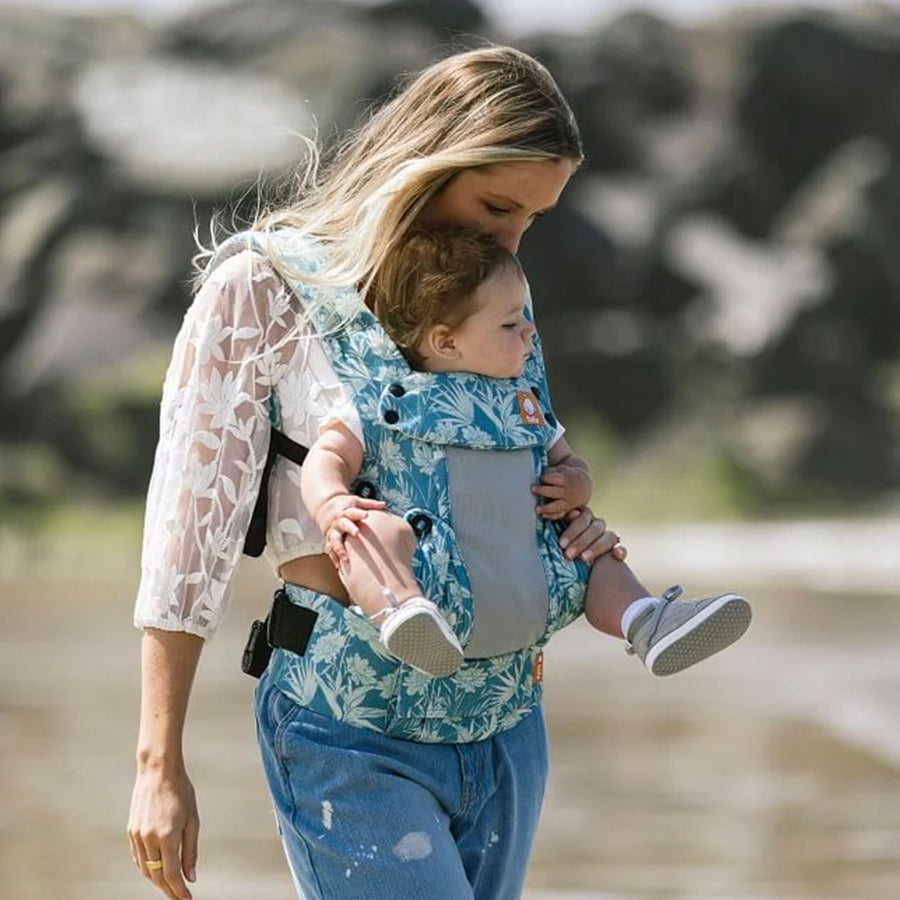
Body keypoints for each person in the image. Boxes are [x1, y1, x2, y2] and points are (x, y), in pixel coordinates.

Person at [126, 46, 744, 900]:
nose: (510, 237)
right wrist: (159, 763)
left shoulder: (500, 297)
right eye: (497, 204)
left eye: (533, 218)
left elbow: (525, 459)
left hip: (505, 730)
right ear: (428, 165)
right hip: (347, 733)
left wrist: (575, 517)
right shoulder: (262, 288)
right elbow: (185, 539)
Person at [301, 225, 750, 679]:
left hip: (531, 580)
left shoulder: (523, 402)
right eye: (510, 323)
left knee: (591, 551)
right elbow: (327, 457)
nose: (530, 333)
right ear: (446, 342)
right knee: (367, 530)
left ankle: (644, 619)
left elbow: (570, 461)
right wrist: (333, 504)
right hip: (430, 576)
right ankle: (400, 609)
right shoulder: (383, 401)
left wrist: (575, 485)